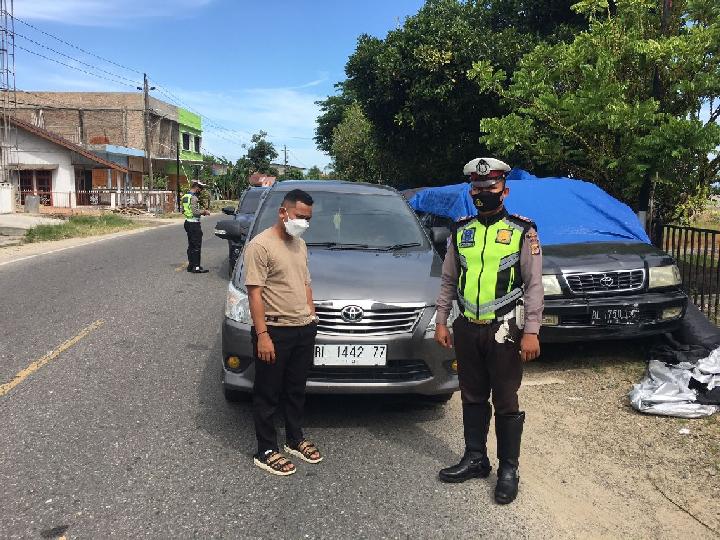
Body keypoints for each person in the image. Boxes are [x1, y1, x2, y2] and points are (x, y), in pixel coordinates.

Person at [435, 157, 543, 504]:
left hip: (506, 328)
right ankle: (475, 458)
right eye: (477, 188)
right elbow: (449, 279)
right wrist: (441, 320)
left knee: (507, 400)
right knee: (471, 395)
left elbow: (534, 284)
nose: (483, 193)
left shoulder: (521, 230)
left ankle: (508, 469)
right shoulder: (461, 229)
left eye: (490, 188)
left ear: (504, 190)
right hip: (466, 326)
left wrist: (532, 330)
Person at [243, 188, 322, 476]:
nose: (304, 222)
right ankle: (265, 449)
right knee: (267, 393)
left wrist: (311, 316)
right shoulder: (260, 246)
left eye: (308, 218)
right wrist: (262, 335)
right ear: (283, 212)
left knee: (296, 390)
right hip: (274, 331)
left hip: (302, 328)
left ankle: (294, 438)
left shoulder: (299, 244)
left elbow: (305, 283)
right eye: (300, 216)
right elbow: (254, 294)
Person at [182, 180, 211, 274]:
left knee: (191, 245)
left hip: (187, 222)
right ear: (196, 188)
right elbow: (195, 212)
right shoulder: (193, 198)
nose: (201, 190)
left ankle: (191, 265)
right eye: (201, 188)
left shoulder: (185, 196)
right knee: (196, 246)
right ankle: (196, 267)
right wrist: (204, 212)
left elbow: (184, 210)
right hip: (194, 224)